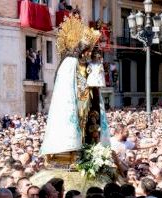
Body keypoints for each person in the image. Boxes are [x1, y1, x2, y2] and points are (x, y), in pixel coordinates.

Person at [40, 15, 110, 155]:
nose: (89, 53)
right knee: (77, 123)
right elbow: (65, 85)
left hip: (87, 100)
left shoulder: (88, 64)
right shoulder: (69, 63)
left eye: (90, 50)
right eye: (87, 50)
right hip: (74, 101)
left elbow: (94, 82)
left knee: (87, 123)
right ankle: (74, 148)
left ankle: (85, 146)